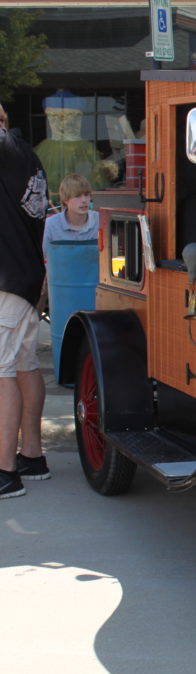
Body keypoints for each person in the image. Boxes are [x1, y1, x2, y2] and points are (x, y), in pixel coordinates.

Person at [0, 103, 50, 499]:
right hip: (25, 277)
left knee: (1, 372)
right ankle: (31, 456)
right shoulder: (25, 155)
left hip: (8, 280)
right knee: (23, 364)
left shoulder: (7, 150)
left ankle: (4, 471)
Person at [43, 173, 100, 258]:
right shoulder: (50, 225)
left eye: (86, 195)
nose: (84, 200)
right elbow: (40, 257)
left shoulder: (101, 220)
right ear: (65, 199)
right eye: (77, 196)